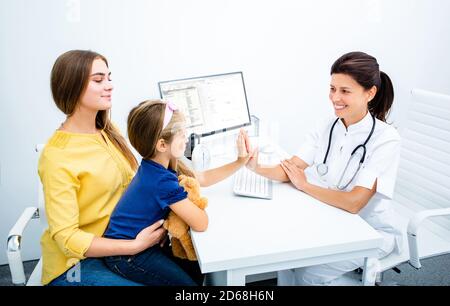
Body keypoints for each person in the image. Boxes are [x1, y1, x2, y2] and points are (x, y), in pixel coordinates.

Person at [246, 51, 402, 285]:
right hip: (330, 217)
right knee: (288, 259)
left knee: (308, 275)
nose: (335, 97)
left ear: (370, 93)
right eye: (332, 88)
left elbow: (354, 203)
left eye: (345, 91)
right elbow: (292, 168)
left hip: (368, 231)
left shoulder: (386, 139)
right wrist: (254, 165)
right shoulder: (328, 126)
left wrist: (305, 185)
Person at [39, 50, 166, 286]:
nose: (109, 85)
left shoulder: (107, 131)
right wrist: (136, 245)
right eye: (98, 80)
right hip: (75, 265)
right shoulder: (56, 156)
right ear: (72, 86)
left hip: (117, 247)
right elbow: (66, 238)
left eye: (109, 77)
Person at [103, 100, 253, 285]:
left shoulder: (157, 166)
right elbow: (201, 223)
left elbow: (203, 178)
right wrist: (195, 202)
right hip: (126, 256)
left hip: (141, 244)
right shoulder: (161, 182)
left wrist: (239, 162)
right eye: (182, 135)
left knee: (196, 269)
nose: (186, 138)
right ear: (162, 145)